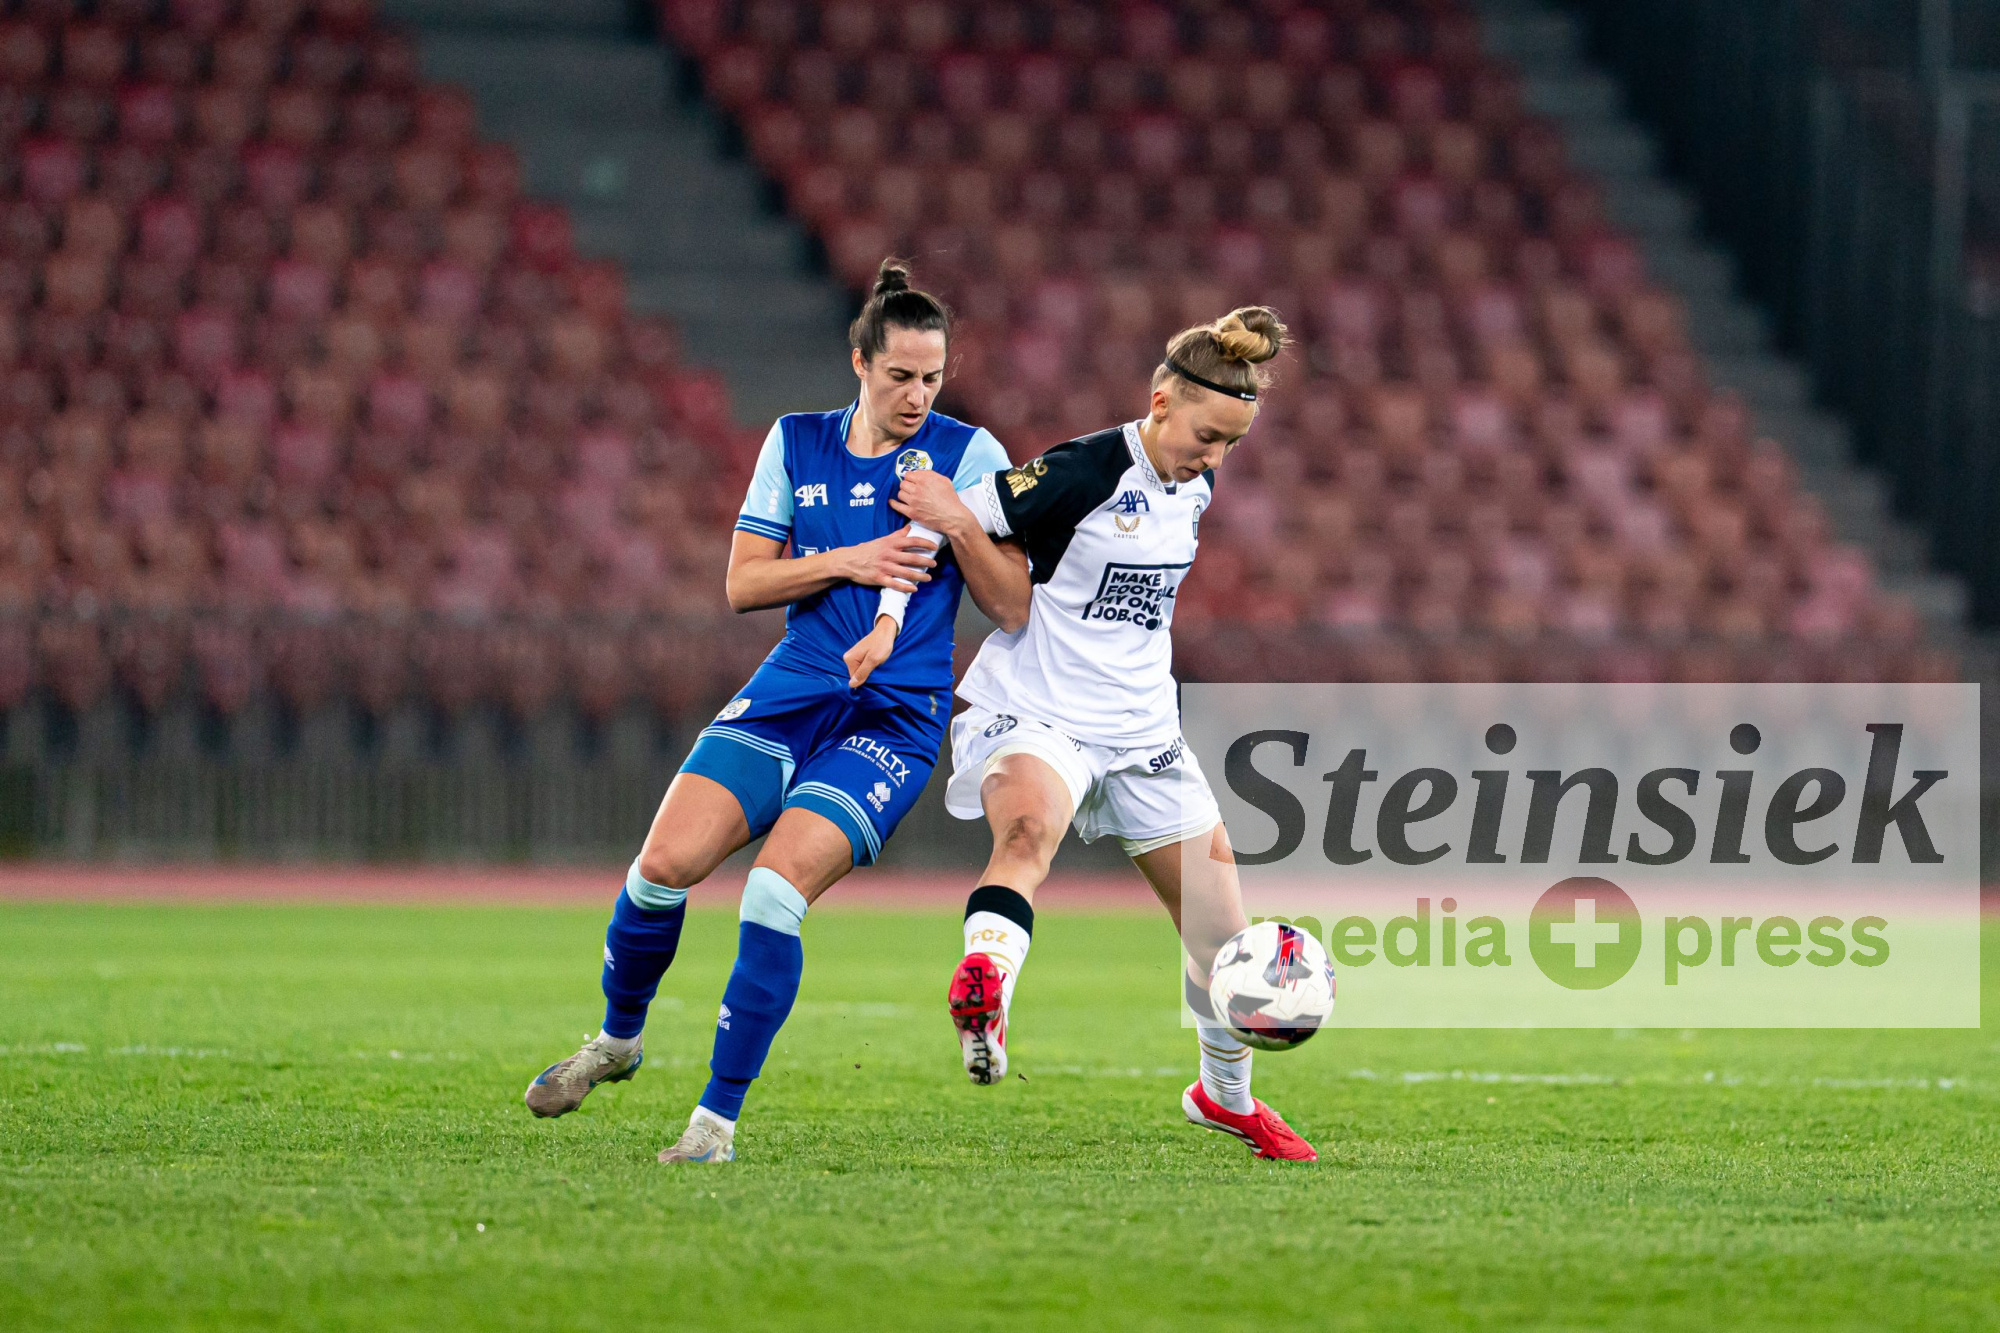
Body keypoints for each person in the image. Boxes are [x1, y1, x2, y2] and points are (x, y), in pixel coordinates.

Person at [523, 262, 1028, 1164]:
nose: (918, 396)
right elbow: (742, 583)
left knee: (771, 890)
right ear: (859, 362)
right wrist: (849, 561)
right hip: (794, 685)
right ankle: (618, 1040)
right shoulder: (796, 442)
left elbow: (1013, 601)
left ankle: (713, 1125)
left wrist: (957, 522)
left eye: (932, 377)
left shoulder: (969, 454)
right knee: (661, 867)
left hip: (892, 718)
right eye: (900, 375)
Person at [856, 307, 1318, 1162]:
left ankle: (1224, 1099)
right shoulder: (1085, 469)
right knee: (1027, 834)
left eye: (1231, 444)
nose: (1215, 458)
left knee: (1221, 939)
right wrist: (888, 618)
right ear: (1161, 403)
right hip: (1042, 712)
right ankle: (987, 986)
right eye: (1207, 436)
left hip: (1144, 732)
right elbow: (941, 515)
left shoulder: (1195, 484)